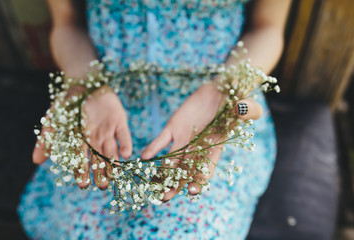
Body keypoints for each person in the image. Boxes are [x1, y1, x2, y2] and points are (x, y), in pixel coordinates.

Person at [19, 0, 291, 239]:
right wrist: (86, 84)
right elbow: (68, 23)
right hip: (100, 113)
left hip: (208, 118)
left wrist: (226, 89)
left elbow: (267, 27)